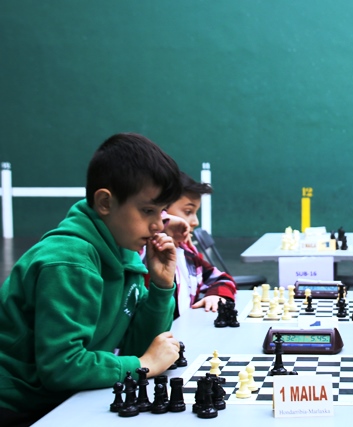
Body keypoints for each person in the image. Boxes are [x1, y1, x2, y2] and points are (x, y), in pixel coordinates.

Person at [0, 133, 183, 426]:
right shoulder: (70, 261)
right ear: (105, 202)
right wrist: (143, 365)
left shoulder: (123, 251)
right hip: (17, 408)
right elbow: (62, 367)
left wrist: (161, 287)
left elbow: (140, 347)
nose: (157, 225)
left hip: (61, 400)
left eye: (161, 212)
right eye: (147, 210)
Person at [162, 172, 237, 318]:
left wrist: (215, 295)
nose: (195, 222)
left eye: (195, 212)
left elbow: (222, 279)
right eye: (188, 212)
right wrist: (163, 222)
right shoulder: (142, 252)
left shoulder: (188, 252)